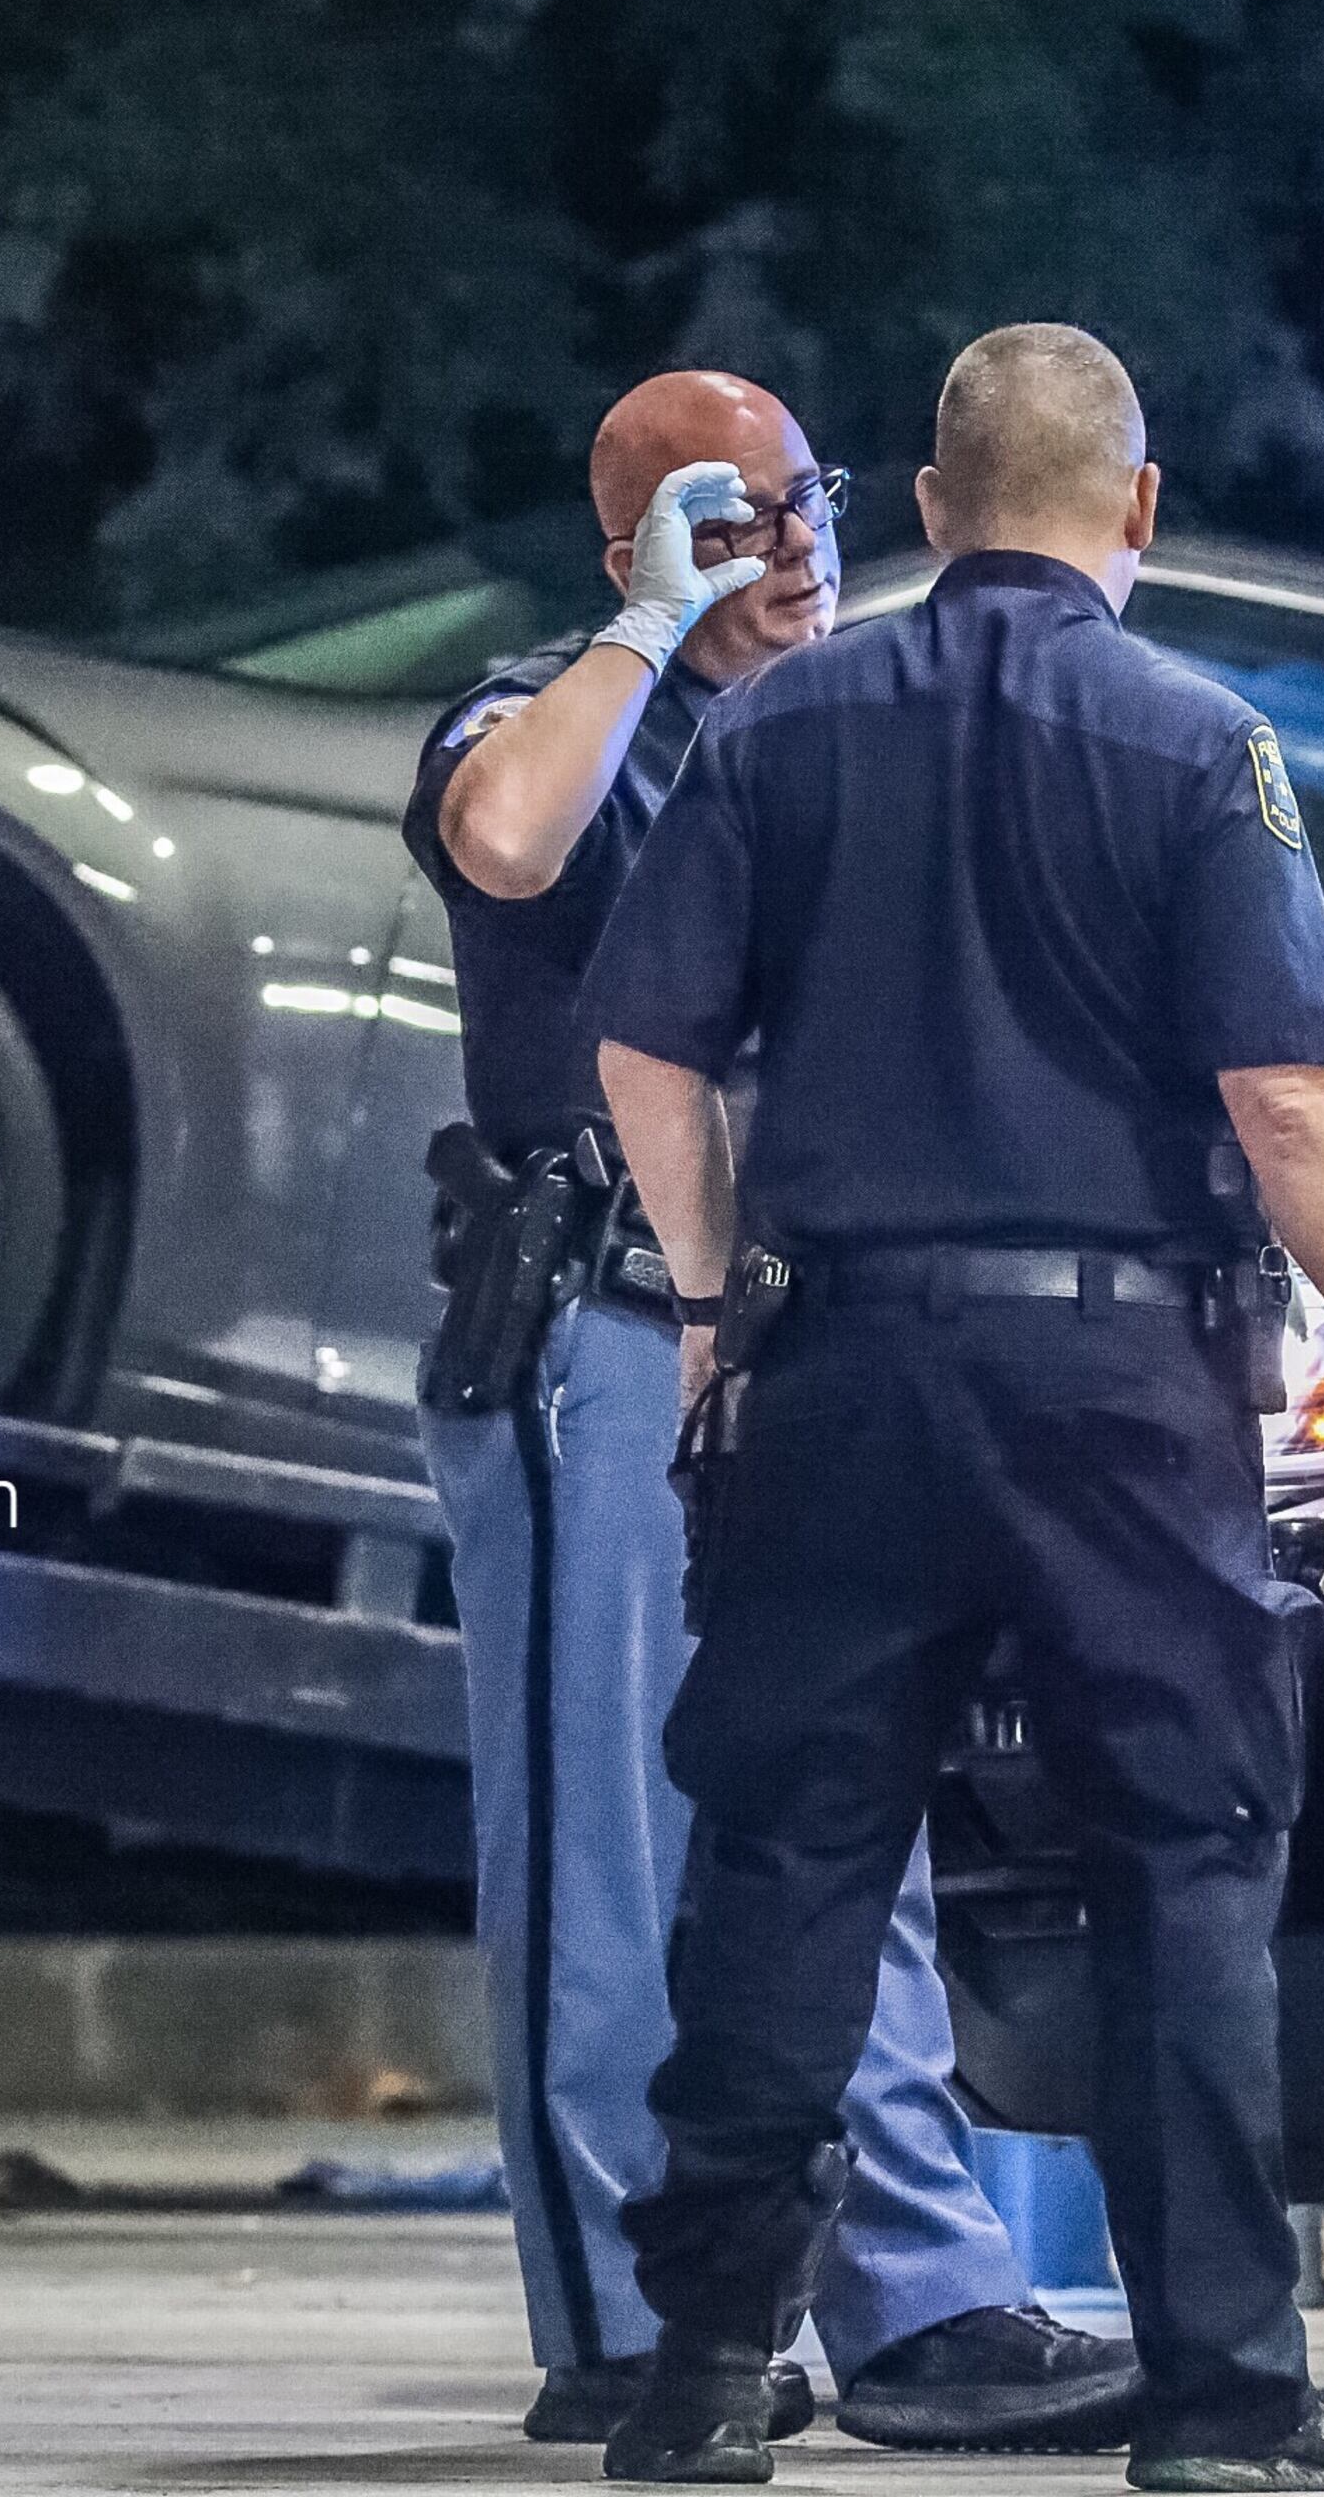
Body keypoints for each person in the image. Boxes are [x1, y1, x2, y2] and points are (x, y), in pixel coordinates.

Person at [581, 323, 1324, 2492]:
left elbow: (647, 1052)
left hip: (840, 1369)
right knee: (1183, 1864)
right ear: (1134, 508)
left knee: (787, 1858)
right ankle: (1231, 2408)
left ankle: (700, 2381)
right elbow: (1288, 1096)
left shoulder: (777, 725)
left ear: (933, 500)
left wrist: (710, 1298)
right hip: (1117, 1385)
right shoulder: (1196, 739)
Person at [409, 368, 1142, 2456]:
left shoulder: (844, 724)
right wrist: (646, 626)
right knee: (615, 1843)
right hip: (609, 1326)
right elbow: (507, 836)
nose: (792, 544)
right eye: (728, 517)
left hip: (820, 1331)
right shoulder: (549, 708)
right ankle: (643, 2319)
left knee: (849, 1833)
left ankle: (912, 2296)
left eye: (806, 500)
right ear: (630, 536)